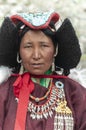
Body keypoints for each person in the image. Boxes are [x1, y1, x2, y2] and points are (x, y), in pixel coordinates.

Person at [0, 10, 86, 130]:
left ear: (55, 50)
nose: (36, 55)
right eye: (28, 46)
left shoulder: (76, 94)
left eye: (44, 46)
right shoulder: (3, 93)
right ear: (18, 51)